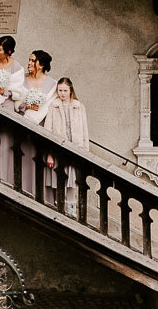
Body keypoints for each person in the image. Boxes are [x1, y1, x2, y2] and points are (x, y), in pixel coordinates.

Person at [44, 77, 89, 216]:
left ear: (70, 90)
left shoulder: (79, 107)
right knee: (58, 181)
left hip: (74, 149)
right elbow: (48, 130)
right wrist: (50, 154)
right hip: (58, 149)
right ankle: (59, 210)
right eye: (60, 90)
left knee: (72, 181)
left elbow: (84, 131)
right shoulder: (54, 106)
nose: (62, 93)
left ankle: (71, 212)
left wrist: (84, 152)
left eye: (65, 90)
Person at [0, 35, 25, 185]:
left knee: (6, 139)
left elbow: (19, 90)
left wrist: (5, 92)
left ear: (8, 51)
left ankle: (6, 177)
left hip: (7, 103)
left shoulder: (16, 67)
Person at [16, 49, 57, 195]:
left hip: (41, 126)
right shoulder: (22, 79)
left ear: (41, 65)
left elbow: (53, 109)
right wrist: (26, 106)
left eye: (33, 60)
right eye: (29, 60)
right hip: (23, 124)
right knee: (24, 160)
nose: (29, 63)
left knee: (39, 162)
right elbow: (15, 101)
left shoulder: (52, 84)